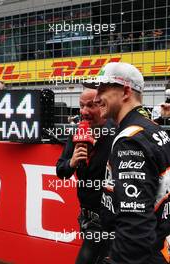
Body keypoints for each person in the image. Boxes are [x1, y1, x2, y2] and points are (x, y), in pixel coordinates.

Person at [84, 62, 170, 264]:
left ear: (125, 92)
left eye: (102, 90)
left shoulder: (130, 139)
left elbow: (135, 221)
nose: (96, 98)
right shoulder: (154, 130)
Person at [56, 88, 115, 264]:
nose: (84, 112)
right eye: (81, 106)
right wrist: (71, 163)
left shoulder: (118, 134)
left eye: (90, 105)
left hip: (111, 220)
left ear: (103, 106)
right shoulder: (76, 133)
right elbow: (61, 171)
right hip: (86, 219)